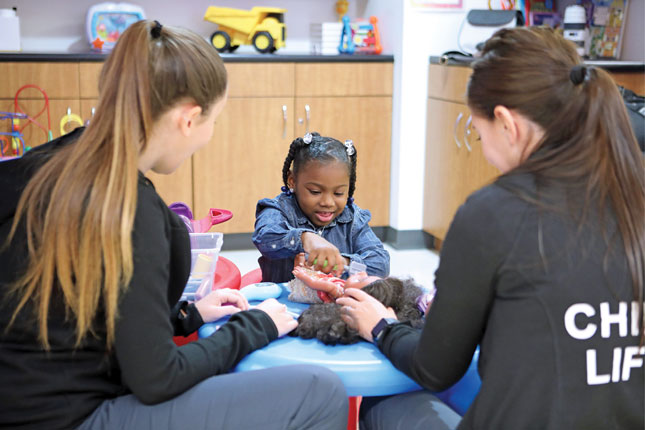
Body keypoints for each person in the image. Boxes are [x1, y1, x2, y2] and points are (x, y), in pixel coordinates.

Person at [0, 21, 348, 430]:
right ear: (189, 118)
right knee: (322, 392)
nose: (209, 135)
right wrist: (256, 326)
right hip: (69, 418)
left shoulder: (56, 161)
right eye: (213, 120)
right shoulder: (132, 210)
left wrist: (186, 316)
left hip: (21, 400)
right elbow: (156, 379)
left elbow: (86, 311)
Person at [337, 27, 645, 430]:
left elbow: (434, 369)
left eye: (479, 133)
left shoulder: (493, 212)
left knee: (384, 403)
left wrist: (381, 326)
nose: (483, 150)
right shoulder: (631, 193)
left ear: (505, 122)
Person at [252, 132, 390, 283]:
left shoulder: (353, 218)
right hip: (282, 303)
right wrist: (305, 238)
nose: (328, 202)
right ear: (292, 181)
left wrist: (342, 263)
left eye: (338, 193)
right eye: (315, 192)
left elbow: (380, 264)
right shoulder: (278, 209)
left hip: (333, 303)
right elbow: (264, 239)